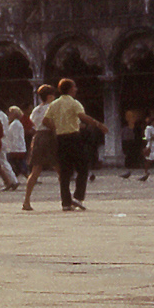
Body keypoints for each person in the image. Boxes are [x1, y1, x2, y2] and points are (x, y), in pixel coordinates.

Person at [44, 78, 107, 210]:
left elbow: (45, 121)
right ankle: (78, 197)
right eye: (74, 87)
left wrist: (56, 128)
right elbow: (83, 117)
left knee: (65, 172)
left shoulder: (54, 104)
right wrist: (98, 124)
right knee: (83, 167)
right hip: (73, 137)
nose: (76, 89)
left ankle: (66, 203)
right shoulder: (74, 103)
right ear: (70, 89)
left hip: (61, 139)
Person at [21, 85, 59, 212]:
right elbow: (51, 123)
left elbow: (33, 123)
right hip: (49, 136)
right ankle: (67, 197)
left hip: (37, 137)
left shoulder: (36, 109)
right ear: (50, 96)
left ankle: (26, 200)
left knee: (36, 169)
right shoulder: (52, 107)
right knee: (59, 168)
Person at [4, 106, 28, 179]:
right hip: (18, 148)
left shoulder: (15, 124)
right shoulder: (15, 123)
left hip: (16, 149)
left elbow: (15, 137)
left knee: (9, 164)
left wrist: (12, 148)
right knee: (19, 164)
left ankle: (10, 178)